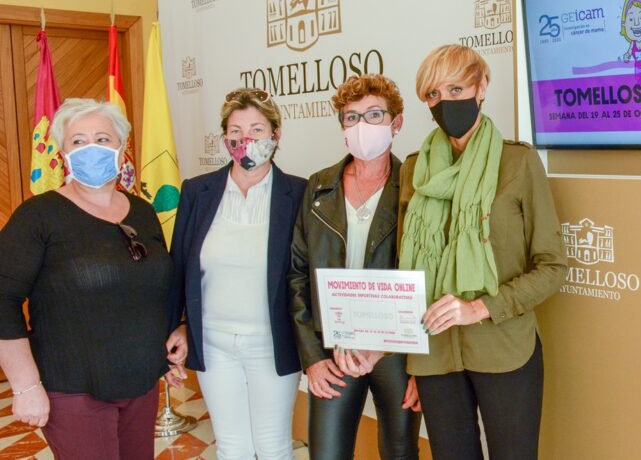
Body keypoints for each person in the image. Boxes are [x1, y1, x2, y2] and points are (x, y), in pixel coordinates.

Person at [399, 44, 568, 460]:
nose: (444, 102)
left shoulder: (518, 162)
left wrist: (479, 308)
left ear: (482, 87)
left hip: (504, 349)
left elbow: (551, 266)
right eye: (433, 94)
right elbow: (406, 275)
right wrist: (409, 361)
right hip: (434, 356)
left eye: (455, 89)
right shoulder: (414, 169)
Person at [0, 98, 184, 459]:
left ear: (121, 147)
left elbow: (151, 288)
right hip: (74, 390)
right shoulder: (37, 216)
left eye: (102, 139)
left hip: (140, 383)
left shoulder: (142, 211)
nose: (91, 149)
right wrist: (25, 385)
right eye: (78, 141)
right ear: (63, 152)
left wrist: (164, 351)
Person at [167, 88, 306, 459]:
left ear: (276, 134)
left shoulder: (299, 193)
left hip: (272, 341)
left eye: (257, 130)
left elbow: (306, 273)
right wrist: (177, 324)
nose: (246, 140)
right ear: (224, 137)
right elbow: (179, 265)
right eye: (236, 131)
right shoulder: (198, 191)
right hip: (213, 343)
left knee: (272, 444)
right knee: (231, 446)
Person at [289, 75, 421, 459]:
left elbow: (430, 275)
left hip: (396, 352)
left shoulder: (415, 187)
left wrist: (422, 365)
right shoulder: (319, 187)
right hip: (336, 348)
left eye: (374, 115)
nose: (362, 125)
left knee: (400, 451)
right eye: (352, 117)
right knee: (326, 453)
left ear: (396, 123)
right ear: (343, 127)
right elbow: (298, 273)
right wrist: (313, 358)